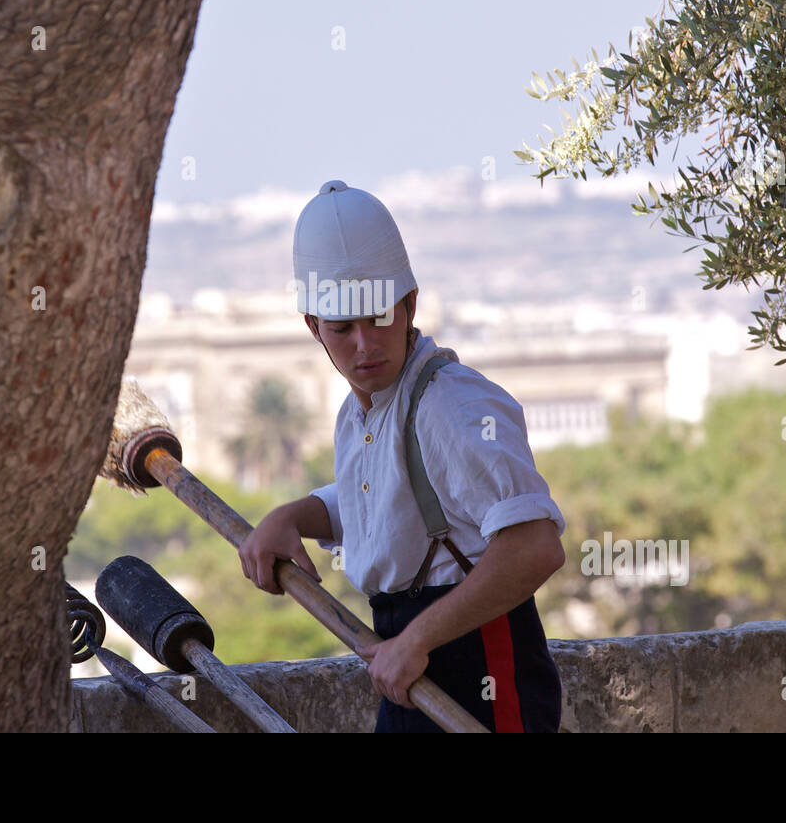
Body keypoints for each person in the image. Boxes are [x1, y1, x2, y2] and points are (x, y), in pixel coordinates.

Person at [238, 180, 566, 732]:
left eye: (378, 320)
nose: (364, 345)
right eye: (342, 328)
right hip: (404, 667)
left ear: (409, 304)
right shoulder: (358, 412)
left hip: (483, 672)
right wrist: (290, 517)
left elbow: (535, 548)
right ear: (314, 328)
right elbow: (389, 498)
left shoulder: (454, 406)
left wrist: (417, 639)